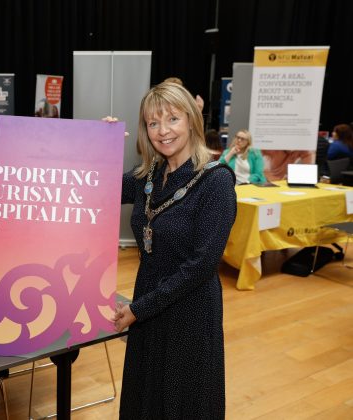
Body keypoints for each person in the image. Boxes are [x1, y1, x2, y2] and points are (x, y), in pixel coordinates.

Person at [111, 81, 237, 419]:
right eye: (153, 123)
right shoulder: (148, 175)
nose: (162, 131)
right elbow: (97, 185)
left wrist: (139, 309)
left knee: (183, 400)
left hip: (190, 309)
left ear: (192, 120)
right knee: (146, 395)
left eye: (172, 119)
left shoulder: (216, 182)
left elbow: (200, 266)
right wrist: (102, 145)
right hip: (148, 300)